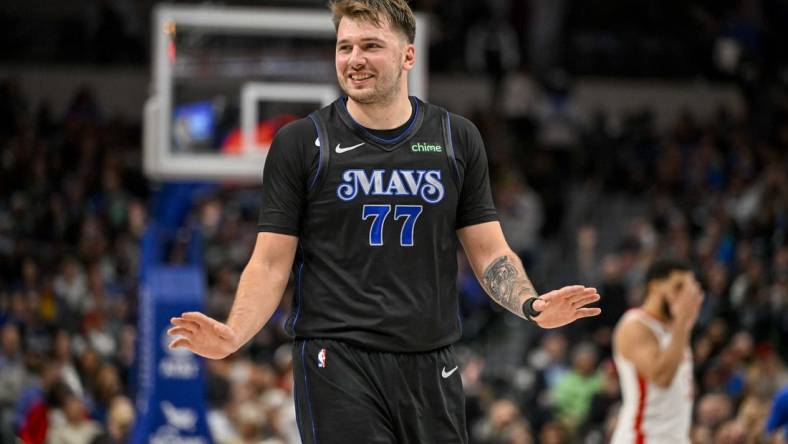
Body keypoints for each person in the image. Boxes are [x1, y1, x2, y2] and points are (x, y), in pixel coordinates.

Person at [167, 1, 601, 442]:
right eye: (345, 47)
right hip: (337, 359)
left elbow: (489, 251)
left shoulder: (456, 138)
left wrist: (531, 304)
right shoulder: (301, 143)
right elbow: (271, 263)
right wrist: (234, 333)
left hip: (433, 360)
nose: (354, 60)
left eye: (370, 46)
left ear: (408, 56)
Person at [610, 258, 703, 444]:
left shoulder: (675, 329)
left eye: (688, 290)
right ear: (654, 287)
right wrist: (682, 324)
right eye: (678, 287)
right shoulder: (635, 325)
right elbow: (661, 377)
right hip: (643, 437)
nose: (684, 298)